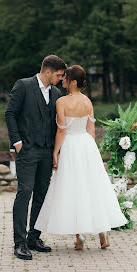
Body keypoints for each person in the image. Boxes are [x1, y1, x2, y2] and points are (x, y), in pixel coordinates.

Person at [35, 65, 127, 250]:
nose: (63, 80)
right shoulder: (88, 102)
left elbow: (61, 130)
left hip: (70, 145)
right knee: (92, 187)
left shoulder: (61, 102)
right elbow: (90, 129)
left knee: (74, 189)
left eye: (66, 77)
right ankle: (103, 233)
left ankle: (80, 237)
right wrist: (91, 150)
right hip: (87, 145)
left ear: (73, 81)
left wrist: (55, 152)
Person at [5, 55, 66, 260]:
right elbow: (10, 114)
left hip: (47, 152)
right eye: (58, 75)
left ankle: (34, 237)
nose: (60, 79)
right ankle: (20, 242)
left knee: (41, 195)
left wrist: (57, 151)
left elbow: (57, 123)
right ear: (47, 71)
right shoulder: (23, 86)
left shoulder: (56, 93)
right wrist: (17, 142)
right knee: (25, 193)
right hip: (27, 150)